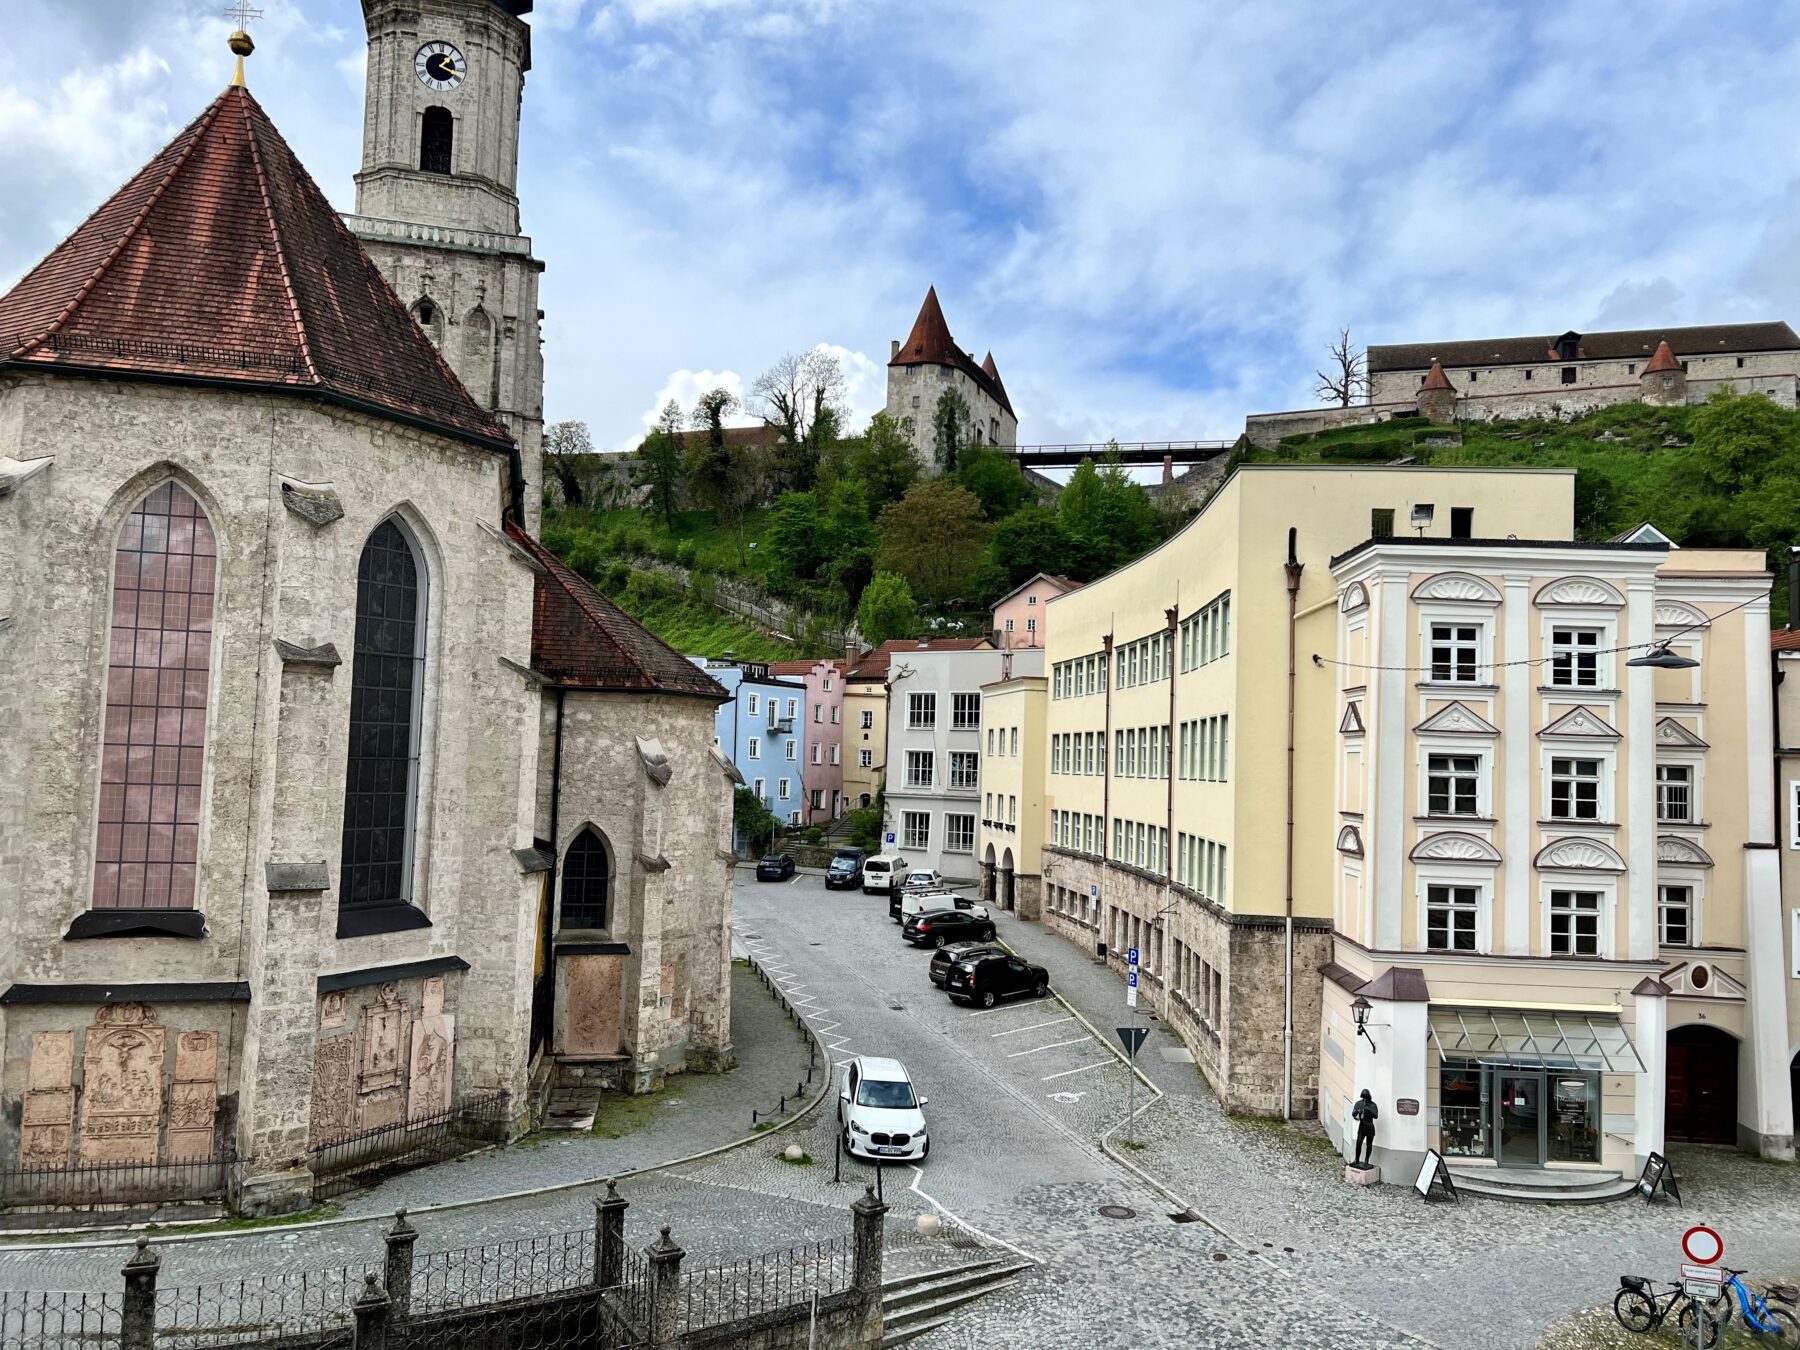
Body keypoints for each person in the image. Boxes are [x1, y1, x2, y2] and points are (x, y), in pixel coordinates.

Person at [1351, 1088, 1379, 1167]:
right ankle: (1357, 1159)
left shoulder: (1373, 1105)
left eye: (1366, 1097)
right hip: (1362, 1125)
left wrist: (1368, 1109)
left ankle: (1367, 1160)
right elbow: (1353, 1113)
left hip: (1369, 1125)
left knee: (1369, 1144)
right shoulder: (1359, 1103)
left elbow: (1376, 1115)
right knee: (1358, 1142)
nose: (1365, 1099)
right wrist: (1357, 1111)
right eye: (1363, 1097)